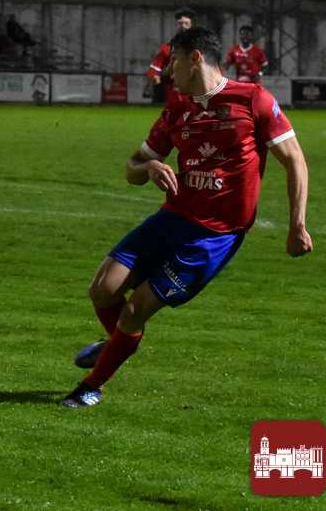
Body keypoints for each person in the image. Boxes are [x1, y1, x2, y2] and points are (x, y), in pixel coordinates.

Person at [61, 26, 311, 408]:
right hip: (173, 218)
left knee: (135, 310)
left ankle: (90, 387)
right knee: (102, 289)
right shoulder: (177, 109)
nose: (168, 71)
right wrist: (149, 168)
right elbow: (132, 166)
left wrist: (297, 225)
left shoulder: (253, 99)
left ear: (195, 59)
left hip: (214, 236)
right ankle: (118, 346)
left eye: (174, 61)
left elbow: (295, 160)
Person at [145, 7, 195, 103]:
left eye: (186, 23)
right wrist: (155, 77)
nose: (183, 26)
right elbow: (154, 69)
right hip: (174, 94)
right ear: (175, 26)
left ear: (191, 26)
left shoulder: (200, 48)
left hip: (194, 93)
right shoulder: (167, 48)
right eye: (180, 23)